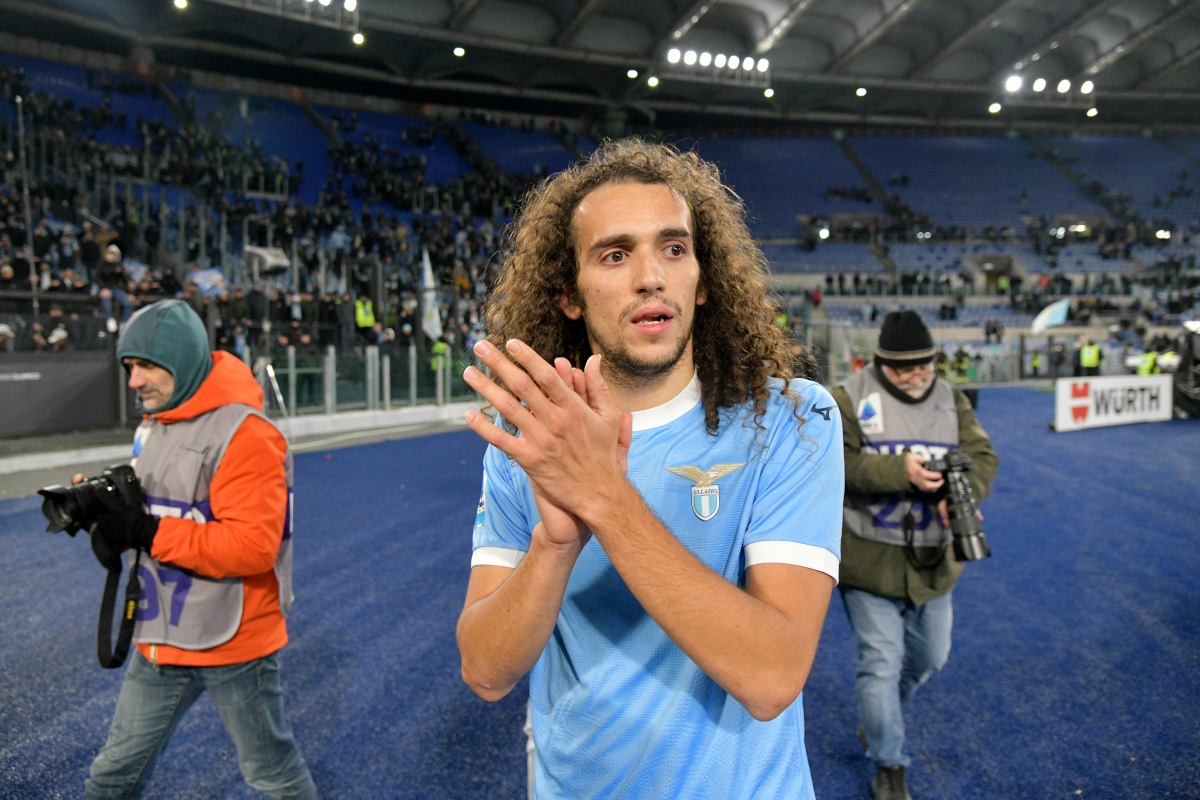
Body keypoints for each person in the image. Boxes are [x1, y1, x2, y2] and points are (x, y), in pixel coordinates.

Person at [456, 139, 843, 799]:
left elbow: (773, 678)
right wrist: (553, 544)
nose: (650, 277)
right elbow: (486, 672)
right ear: (570, 297)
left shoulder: (792, 419)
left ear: (703, 278)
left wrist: (605, 499)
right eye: (614, 254)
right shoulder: (534, 442)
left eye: (673, 248)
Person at [81, 299, 318, 799]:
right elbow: (163, 513)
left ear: (181, 358)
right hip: (160, 632)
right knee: (112, 775)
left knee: (273, 776)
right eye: (129, 367)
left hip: (235, 642)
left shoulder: (246, 433)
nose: (134, 381)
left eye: (146, 365)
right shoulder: (155, 423)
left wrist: (145, 532)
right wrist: (111, 524)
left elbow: (252, 546)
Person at [830, 310, 998, 800]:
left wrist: (964, 493)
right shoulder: (848, 397)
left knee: (930, 658)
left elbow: (984, 457)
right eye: (904, 369)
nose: (916, 377)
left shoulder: (953, 400)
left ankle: (881, 719)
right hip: (869, 562)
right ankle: (889, 763)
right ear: (881, 364)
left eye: (924, 367)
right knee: (880, 663)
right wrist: (897, 471)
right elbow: (834, 464)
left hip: (935, 562)